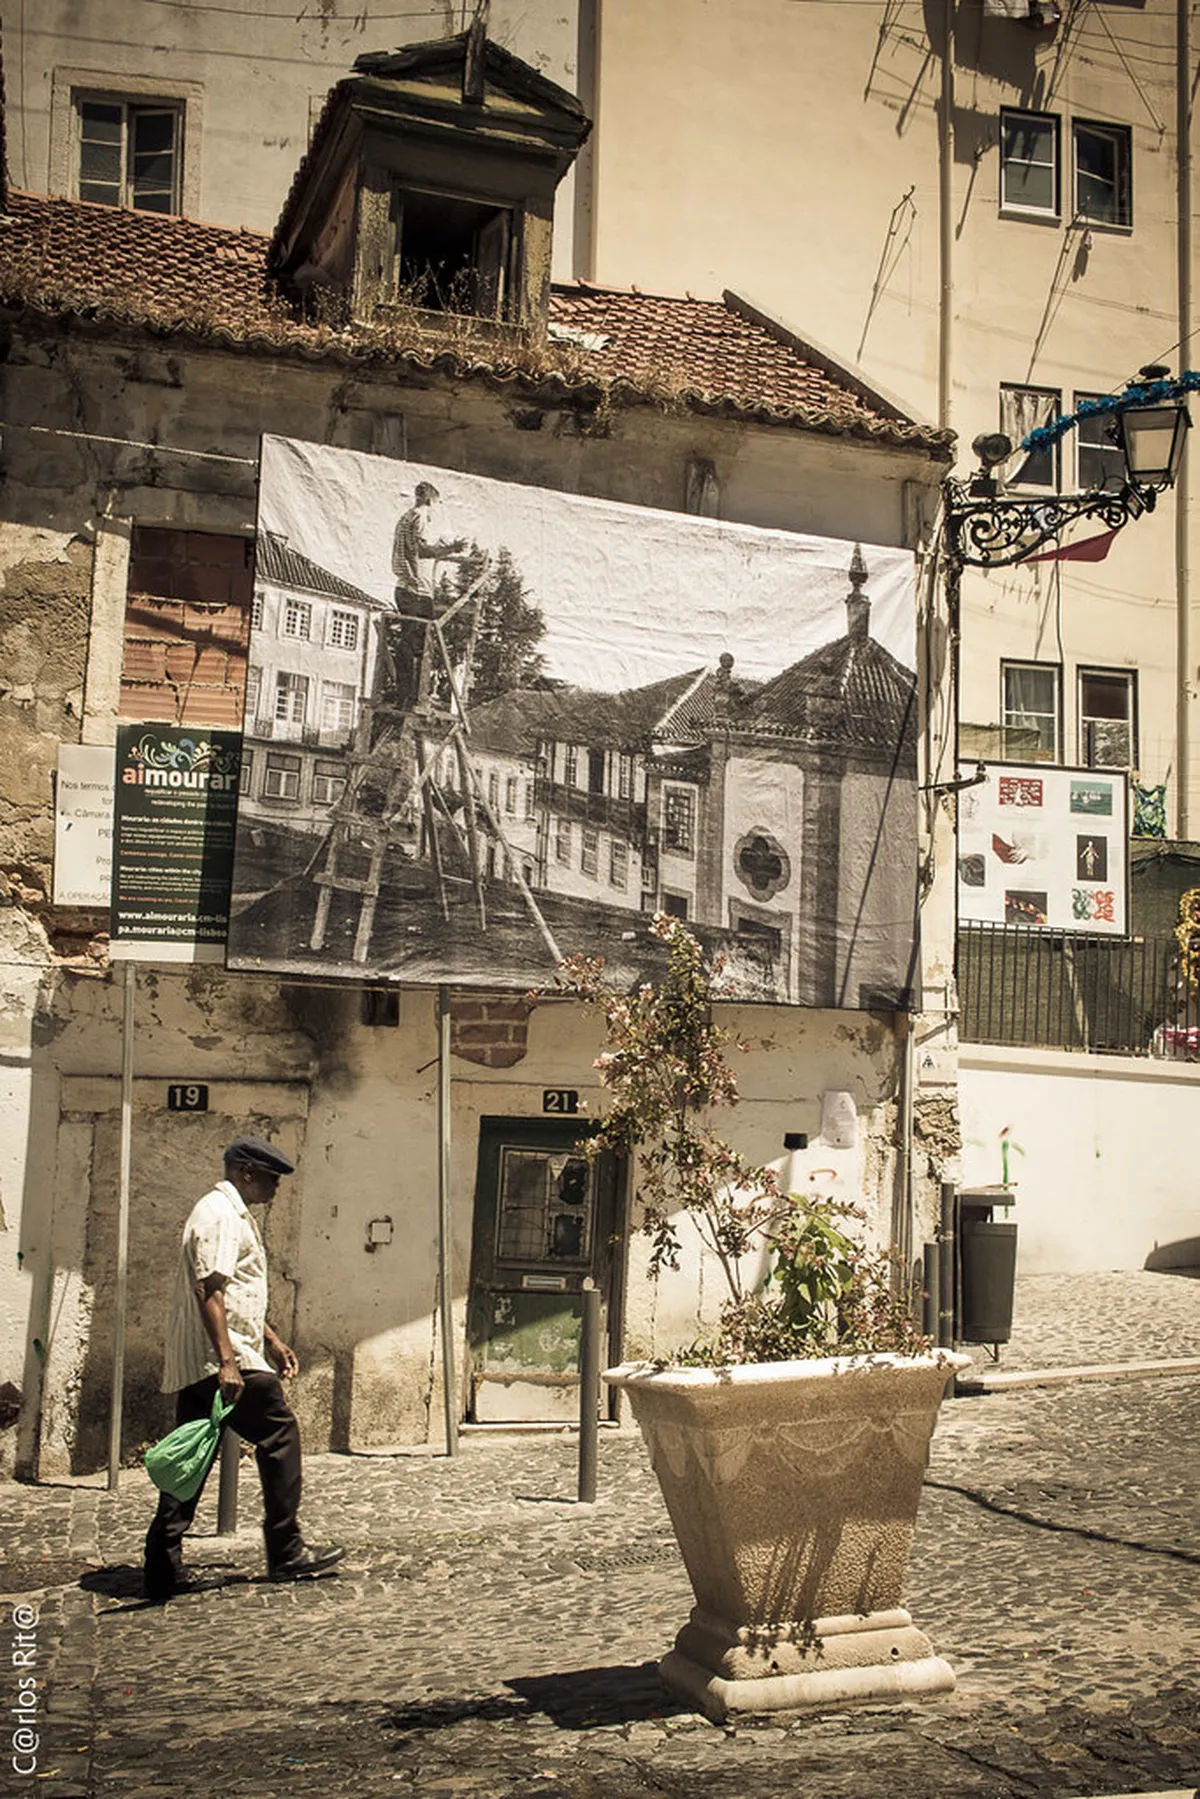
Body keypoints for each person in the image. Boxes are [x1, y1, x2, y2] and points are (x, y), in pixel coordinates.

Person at [143, 1137, 344, 1601]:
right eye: (272, 1177)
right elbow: (209, 1290)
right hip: (223, 1361)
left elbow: (233, 1296)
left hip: (210, 1358)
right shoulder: (220, 1215)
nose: (277, 1186)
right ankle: (287, 1549)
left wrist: (270, 1339)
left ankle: (162, 1564)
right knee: (280, 1434)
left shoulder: (225, 1213)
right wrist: (230, 1363)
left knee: (190, 1457)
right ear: (247, 1172)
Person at [381, 482, 469, 713]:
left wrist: (442, 549)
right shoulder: (419, 517)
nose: (436, 510)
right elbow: (421, 550)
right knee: (418, 645)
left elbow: (417, 550)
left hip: (407, 588)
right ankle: (412, 698)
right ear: (431, 501)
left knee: (410, 643)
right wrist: (451, 550)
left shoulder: (405, 518)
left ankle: (407, 696)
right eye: (437, 504)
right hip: (416, 591)